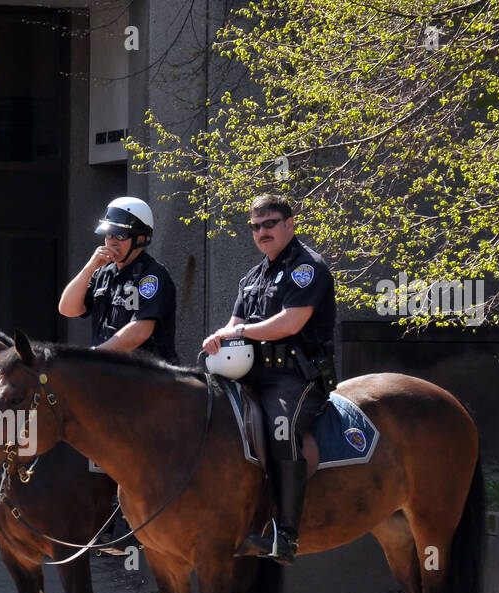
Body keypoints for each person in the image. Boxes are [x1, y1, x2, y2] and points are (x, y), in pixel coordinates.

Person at [202, 194, 337, 566]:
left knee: (282, 430)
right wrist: (220, 335)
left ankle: (286, 534)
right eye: (256, 226)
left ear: (290, 224)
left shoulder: (306, 267)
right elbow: (235, 323)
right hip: (252, 375)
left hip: (297, 376)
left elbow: (291, 322)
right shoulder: (254, 275)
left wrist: (240, 331)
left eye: (270, 224)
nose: (262, 232)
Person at [58, 196, 179, 363]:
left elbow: (140, 330)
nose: (112, 241)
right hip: (109, 373)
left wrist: (94, 354)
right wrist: (89, 268)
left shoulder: (152, 275)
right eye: (108, 234)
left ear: (141, 239)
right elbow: (68, 309)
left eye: (120, 235)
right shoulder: (102, 272)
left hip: (147, 378)